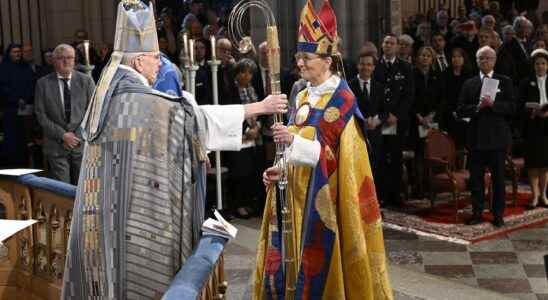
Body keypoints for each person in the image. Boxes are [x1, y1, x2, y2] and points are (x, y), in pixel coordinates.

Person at [61, 2, 287, 299]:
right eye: (156, 58)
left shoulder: (112, 95)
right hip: (134, 228)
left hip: (106, 217)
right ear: (139, 61)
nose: (159, 64)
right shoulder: (138, 100)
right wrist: (259, 107)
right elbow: (190, 119)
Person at [254, 1, 392, 299]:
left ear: (328, 59)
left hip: (325, 205)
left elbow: (343, 164)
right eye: (298, 57)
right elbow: (291, 147)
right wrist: (278, 168)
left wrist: (294, 143)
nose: (300, 63)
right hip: (292, 200)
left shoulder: (342, 100)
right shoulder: (302, 95)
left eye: (307, 57)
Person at [457, 46, 515, 227]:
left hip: (497, 139)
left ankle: (498, 214)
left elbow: (513, 107)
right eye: (481, 58)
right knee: (476, 180)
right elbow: (460, 110)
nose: (485, 61)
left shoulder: (504, 81)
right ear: (476, 61)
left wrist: (493, 105)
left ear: (494, 60)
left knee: (498, 180)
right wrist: (476, 108)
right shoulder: (469, 83)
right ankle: (477, 212)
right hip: (476, 140)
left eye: (488, 58)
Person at [34, 44, 95, 184]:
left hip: (81, 143)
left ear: (74, 60)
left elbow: (93, 111)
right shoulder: (42, 84)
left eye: (69, 58)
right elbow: (41, 115)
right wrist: (63, 135)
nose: (66, 61)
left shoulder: (85, 81)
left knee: (84, 187)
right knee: (62, 188)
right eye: (61, 58)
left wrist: (76, 136)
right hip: (56, 145)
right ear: (53, 61)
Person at [373, 33, 415, 207]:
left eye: (392, 43)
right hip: (380, 121)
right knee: (380, 158)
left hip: (398, 121)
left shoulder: (405, 67)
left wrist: (396, 115)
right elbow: (374, 94)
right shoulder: (375, 66)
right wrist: (384, 115)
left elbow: (409, 95)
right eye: (386, 43)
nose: (389, 46)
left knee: (396, 158)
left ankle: (396, 195)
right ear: (382, 46)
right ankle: (380, 195)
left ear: (397, 47)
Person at [410, 46, 443, 198]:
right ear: (418, 58)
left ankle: (432, 186)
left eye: (428, 56)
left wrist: (431, 116)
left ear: (432, 59)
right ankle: (419, 188)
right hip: (416, 120)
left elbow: (441, 99)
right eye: (422, 55)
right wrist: (419, 117)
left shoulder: (437, 76)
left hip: (432, 120)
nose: (424, 58)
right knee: (419, 155)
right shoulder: (412, 74)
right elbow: (410, 99)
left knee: (431, 153)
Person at [518, 48, 548, 208]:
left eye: (543, 63)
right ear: (533, 65)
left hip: (547, 127)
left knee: (545, 163)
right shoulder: (525, 82)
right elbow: (519, 104)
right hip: (532, 127)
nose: (541, 66)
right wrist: (532, 110)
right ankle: (534, 196)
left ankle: (544, 195)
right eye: (538, 64)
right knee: (533, 163)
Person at [349, 51, 384, 178]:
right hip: (356, 135)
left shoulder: (379, 87)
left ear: (373, 67)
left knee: (374, 170)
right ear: (358, 65)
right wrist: (362, 121)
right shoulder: (348, 86)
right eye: (362, 64)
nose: (365, 67)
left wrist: (377, 120)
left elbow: (384, 111)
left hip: (375, 136)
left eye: (369, 64)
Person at [0, 44, 36, 167]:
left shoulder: (26, 67)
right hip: (11, 109)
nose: (17, 54)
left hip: (26, 108)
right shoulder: (3, 68)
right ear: (9, 53)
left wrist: (25, 98)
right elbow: (3, 88)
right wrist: (16, 99)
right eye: (15, 52)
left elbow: (32, 84)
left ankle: (26, 163)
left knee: (26, 137)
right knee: (12, 138)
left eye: (19, 52)